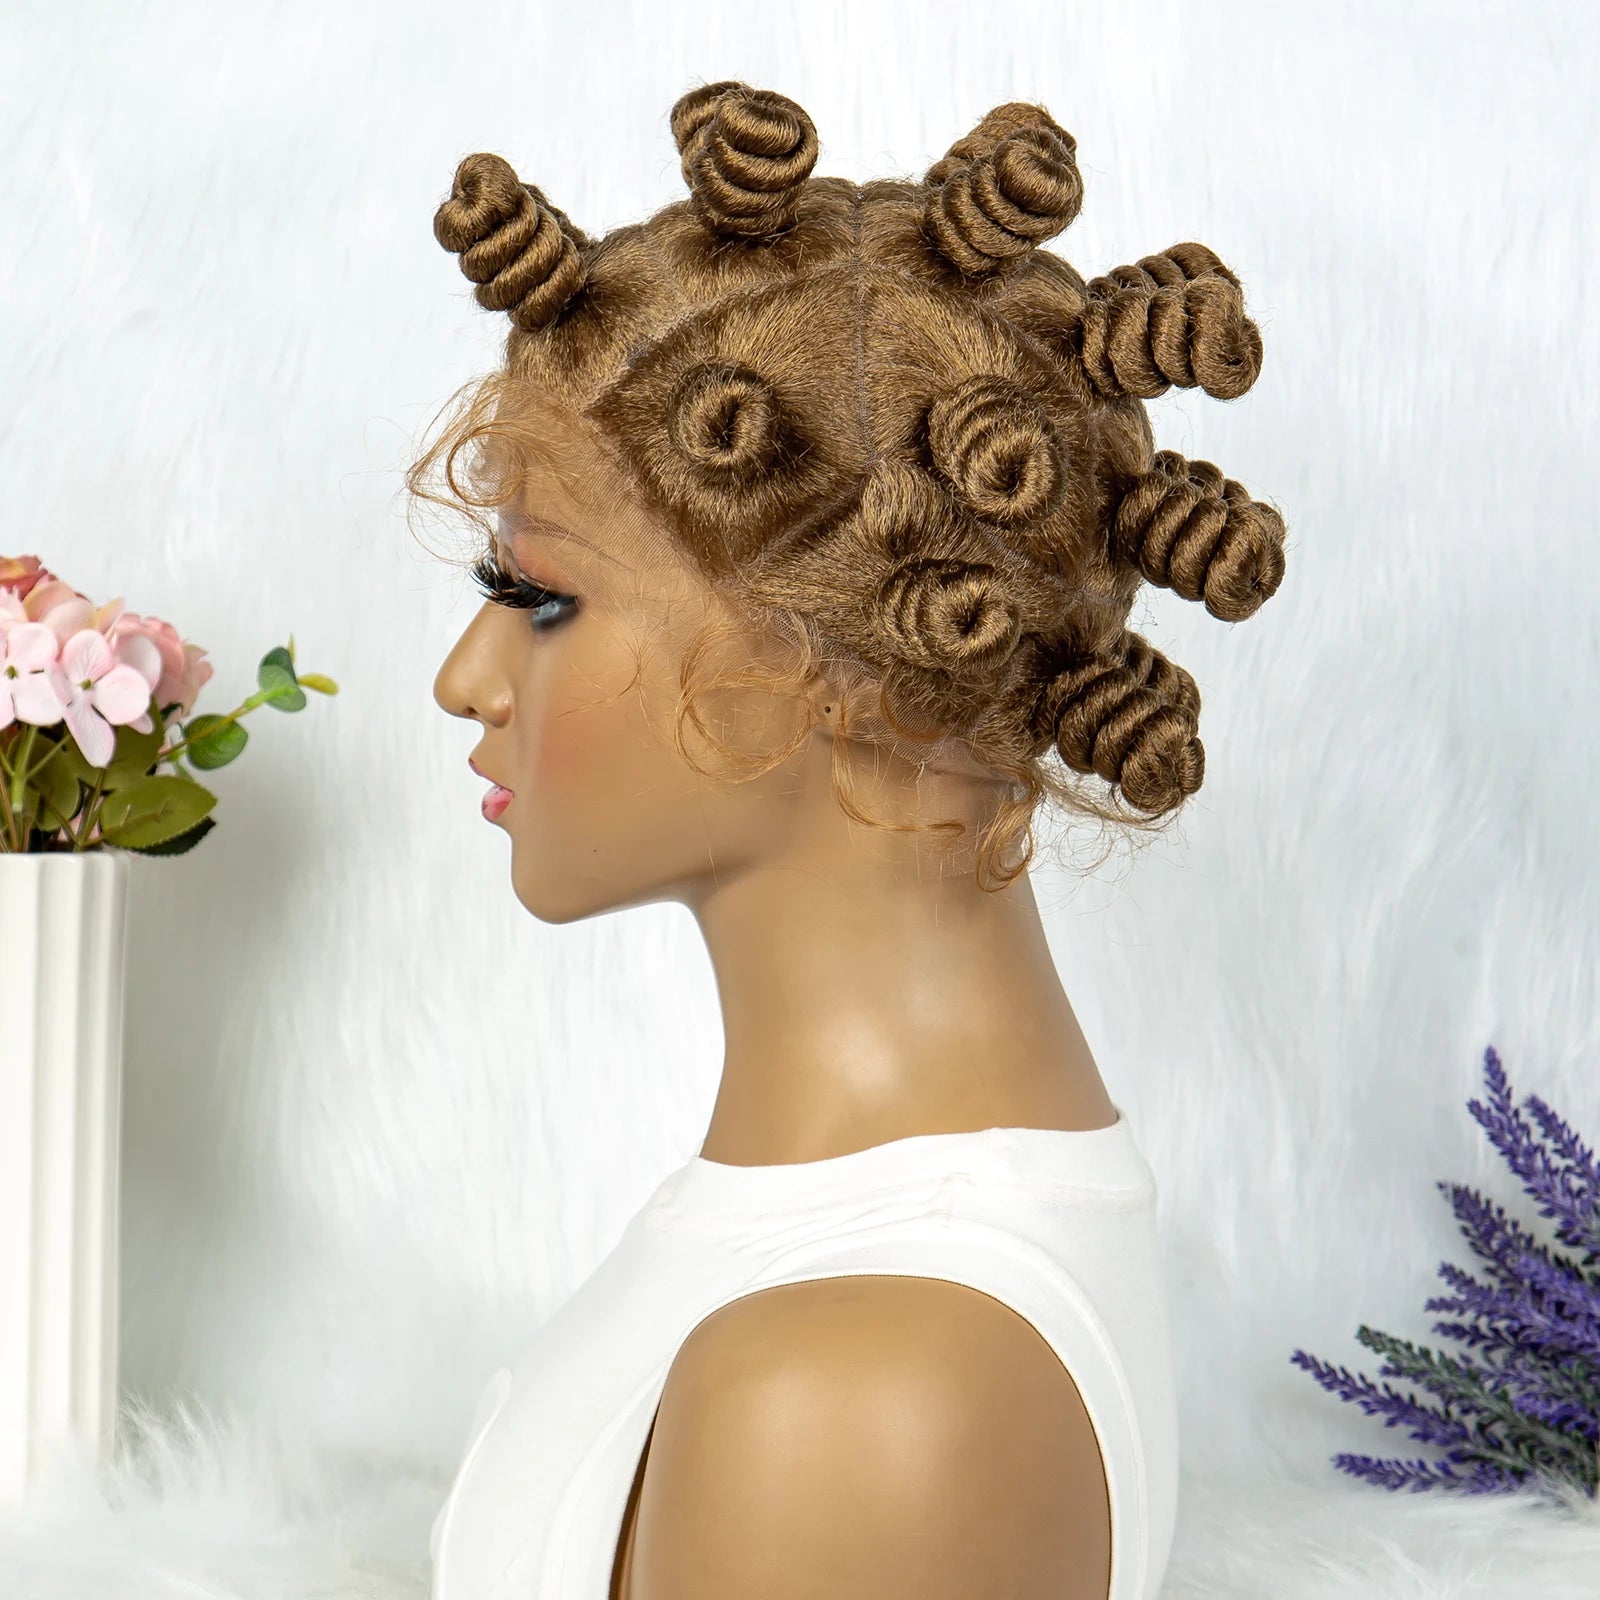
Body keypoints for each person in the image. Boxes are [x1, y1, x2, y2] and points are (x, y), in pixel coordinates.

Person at [420, 79, 1287, 1600]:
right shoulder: (834, 1273)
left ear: (855, 664)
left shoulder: (861, 1396)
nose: (465, 680)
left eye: (543, 598)